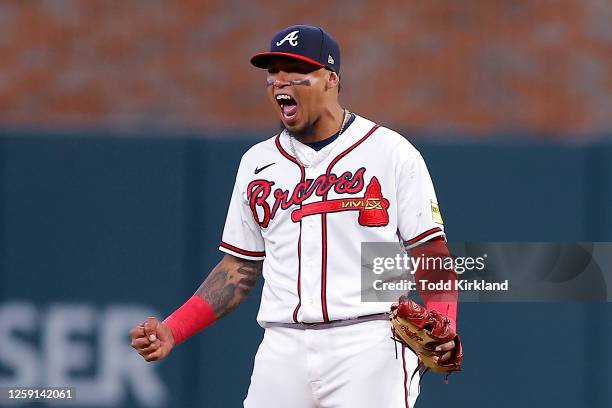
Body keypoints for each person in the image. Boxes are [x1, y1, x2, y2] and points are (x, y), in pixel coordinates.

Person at [129, 24, 458, 408]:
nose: (280, 81)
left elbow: (430, 251)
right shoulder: (257, 163)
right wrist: (173, 329)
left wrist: (443, 320)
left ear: (330, 79)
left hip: (368, 341)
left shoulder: (391, 152)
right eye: (273, 72)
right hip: (282, 346)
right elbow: (239, 269)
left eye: (295, 71)